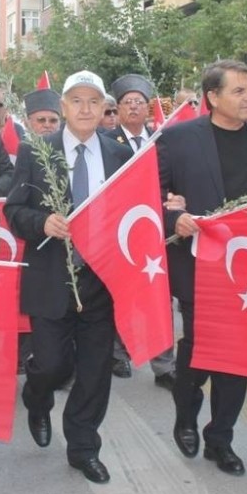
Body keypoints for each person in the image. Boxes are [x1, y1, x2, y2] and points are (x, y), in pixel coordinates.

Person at [4, 70, 132, 484]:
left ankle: (83, 447)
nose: (86, 109)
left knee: (95, 371)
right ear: (63, 107)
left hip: (101, 280)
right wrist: (42, 223)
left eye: (94, 101)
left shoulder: (119, 154)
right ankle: (36, 397)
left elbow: (132, 212)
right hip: (51, 278)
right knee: (53, 365)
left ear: (104, 108)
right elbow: (15, 210)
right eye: (77, 100)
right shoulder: (36, 150)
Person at [158, 60, 247, 476]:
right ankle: (186, 412)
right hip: (200, 264)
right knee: (199, 347)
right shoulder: (178, 140)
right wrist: (174, 218)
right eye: (239, 91)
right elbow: (149, 195)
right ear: (212, 97)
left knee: (237, 355)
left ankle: (220, 439)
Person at [105, 73, 176, 386]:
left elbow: (171, 181)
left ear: (148, 108)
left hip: (156, 229)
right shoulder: (106, 142)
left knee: (158, 294)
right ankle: (119, 353)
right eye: (127, 102)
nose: (133, 107)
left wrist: (174, 200)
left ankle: (164, 364)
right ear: (118, 108)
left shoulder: (162, 141)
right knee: (121, 294)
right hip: (119, 229)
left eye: (139, 102)